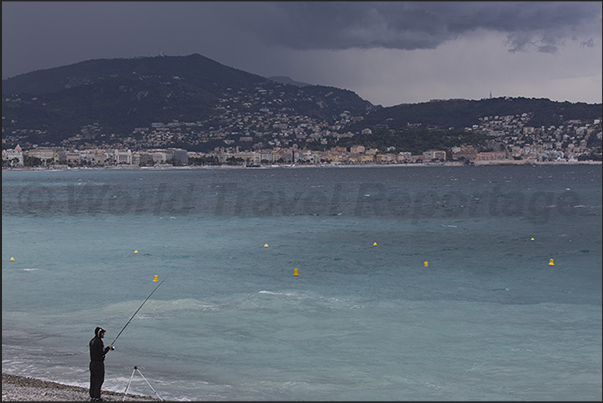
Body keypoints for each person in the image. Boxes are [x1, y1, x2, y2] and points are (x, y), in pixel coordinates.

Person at [89, 327, 114, 401]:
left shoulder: (92, 341)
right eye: (103, 333)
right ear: (99, 333)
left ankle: (92, 396)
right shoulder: (99, 342)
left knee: (93, 379)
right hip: (98, 364)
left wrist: (106, 348)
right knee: (99, 380)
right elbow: (102, 353)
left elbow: (97, 351)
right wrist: (108, 348)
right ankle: (97, 397)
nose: (104, 334)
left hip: (92, 363)